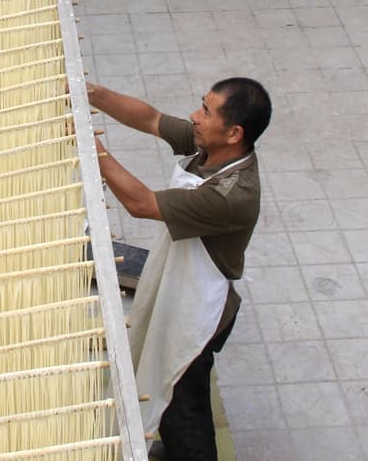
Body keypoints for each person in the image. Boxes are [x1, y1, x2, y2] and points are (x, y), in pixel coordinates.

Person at [87, 77, 271, 461]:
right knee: (171, 397)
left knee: (183, 405)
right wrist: (92, 94)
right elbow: (152, 119)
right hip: (179, 285)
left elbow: (141, 204)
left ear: (234, 132)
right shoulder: (212, 147)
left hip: (198, 312)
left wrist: (92, 148)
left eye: (206, 112)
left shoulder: (232, 194)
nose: (195, 118)